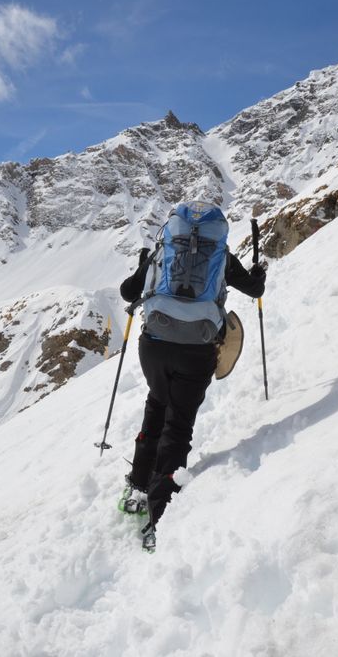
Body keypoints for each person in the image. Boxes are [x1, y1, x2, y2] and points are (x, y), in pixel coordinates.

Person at [119, 203, 266, 545]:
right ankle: (160, 511)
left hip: (154, 345)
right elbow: (254, 291)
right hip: (197, 349)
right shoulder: (222, 256)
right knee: (179, 424)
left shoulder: (163, 252)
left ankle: (138, 488)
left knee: (157, 404)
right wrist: (258, 274)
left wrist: (146, 267)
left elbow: (128, 293)